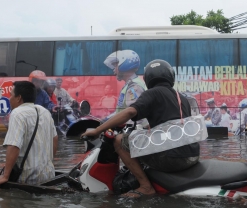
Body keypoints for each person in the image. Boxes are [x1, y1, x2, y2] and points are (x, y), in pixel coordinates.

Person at [82, 59, 200, 198]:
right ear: (170, 76)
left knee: (120, 141)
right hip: (192, 156)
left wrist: (98, 130)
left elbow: (130, 112)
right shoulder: (181, 98)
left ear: (148, 77)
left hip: (172, 158)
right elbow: (168, 124)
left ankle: (145, 186)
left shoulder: (153, 93)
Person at [0, 81, 58, 188]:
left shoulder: (17, 113)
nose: (9, 99)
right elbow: (55, 138)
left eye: (11, 96)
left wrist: (5, 176)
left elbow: (14, 145)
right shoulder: (45, 111)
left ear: (18, 98)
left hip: (28, 178)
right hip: (49, 175)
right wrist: (49, 163)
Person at [103, 50, 147, 114]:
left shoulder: (134, 87)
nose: (114, 70)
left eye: (115, 66)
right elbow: (121, 112)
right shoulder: (129, 84)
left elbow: (132, 115)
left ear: (125, 65)